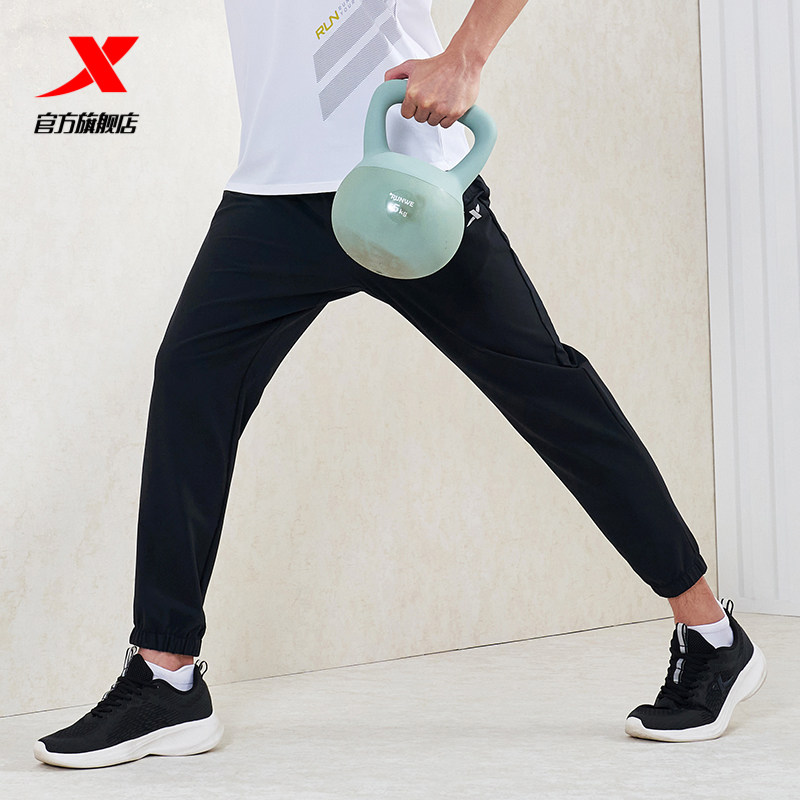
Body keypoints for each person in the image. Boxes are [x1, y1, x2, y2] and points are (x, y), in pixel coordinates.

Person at [35, 0, 766, 769]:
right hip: (273, 192)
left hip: (405, 176)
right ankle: (166, 676)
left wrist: (466, 57)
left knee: (552, 396)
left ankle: (711, 634)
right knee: (190, 383)